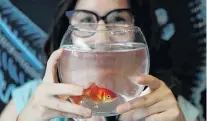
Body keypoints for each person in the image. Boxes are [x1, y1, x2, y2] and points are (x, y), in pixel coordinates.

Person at [0, 0, 194, 121]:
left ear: (137, 31)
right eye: (86, 20)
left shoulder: (167, 107)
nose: (102, 38)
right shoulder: (29, 101)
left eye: (118, 19)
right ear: (66, 33)